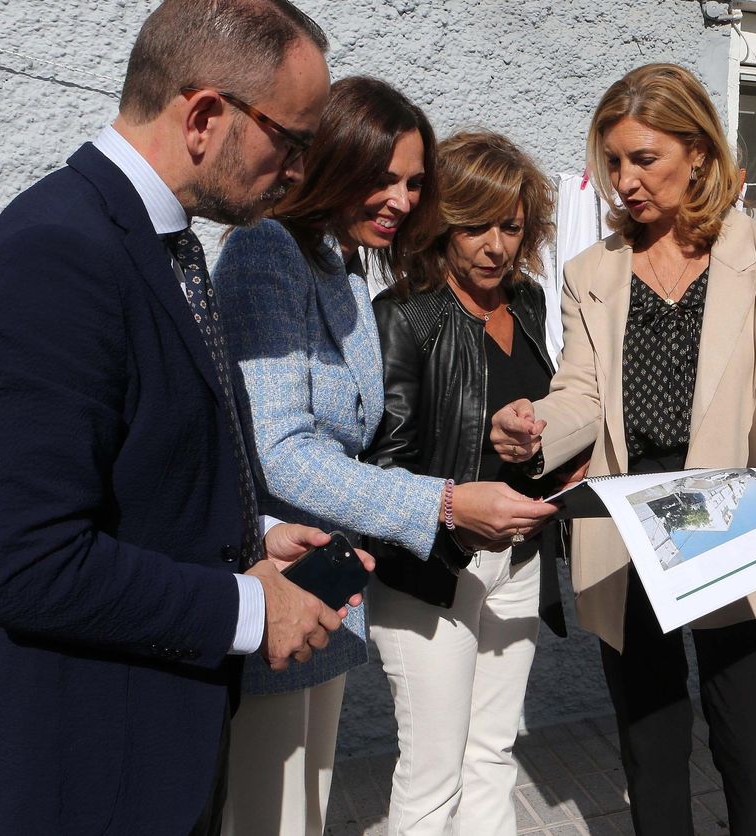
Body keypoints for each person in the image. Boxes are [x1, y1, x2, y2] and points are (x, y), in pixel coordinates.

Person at [0, 0, 358, 835]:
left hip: (149, 753)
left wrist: (252, 538)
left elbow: (137, 469)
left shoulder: (158, 243)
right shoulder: (59, 254)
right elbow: (29, 562)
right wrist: (251, 608)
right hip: (74, 771)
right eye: (291, 142)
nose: (299, 173)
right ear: (203, 116)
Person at [490, 62, 756, 836]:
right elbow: (581, 394)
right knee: (651, 747)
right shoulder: (592, 271)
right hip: (630, 522)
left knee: (751, 748)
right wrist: (535, 427)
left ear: (698, 152)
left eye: (644, 158)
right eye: (613, 161)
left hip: (736, 515)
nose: (624, 181)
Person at [212, 78, 555, 836]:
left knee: (308, 806)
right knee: (273, 812)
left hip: (332, 572)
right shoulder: (267, 248)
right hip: (279, 569)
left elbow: (352, 432)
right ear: (332, 159)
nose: (400, 200)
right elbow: (280, 451)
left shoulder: (341, 263)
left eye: (413, 183)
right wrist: (443, 502)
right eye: (382, 177)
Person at [365, 130, 569, 835]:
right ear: (441, 225)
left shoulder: (529, 302)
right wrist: (460, 496)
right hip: (434, 565)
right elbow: (383, 466)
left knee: (492, 754)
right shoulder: (404, 315)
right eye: (475, 226)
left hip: (519, 558)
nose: (495, 246)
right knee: (432, 779)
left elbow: (542, 412)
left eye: (510, 227)